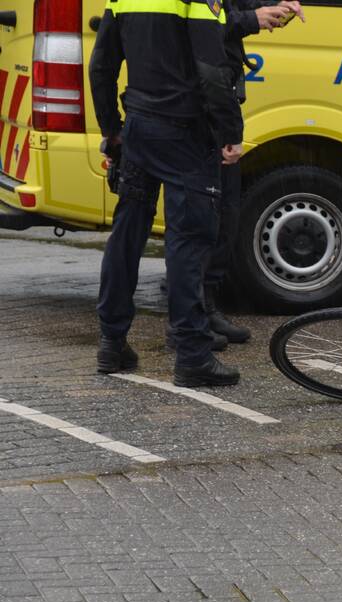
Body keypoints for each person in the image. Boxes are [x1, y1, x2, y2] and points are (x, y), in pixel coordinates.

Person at [90, 0, 244, 387]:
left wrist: (112, 128)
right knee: (189, 241)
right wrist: (230, 133)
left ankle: (112, 343)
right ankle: (192, 354)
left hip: (139, 130)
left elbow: (101, 66)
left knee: (127, 234)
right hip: (186, 134)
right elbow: (211, 71)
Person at [199, 0, 305, 345]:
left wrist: (273, 9)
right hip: (202, 109)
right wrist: (251, 19)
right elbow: (200, 30)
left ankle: (206, 307)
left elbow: (234, 11)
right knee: (203, 220)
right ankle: (190, 319)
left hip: (219, 104)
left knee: (226, 217)